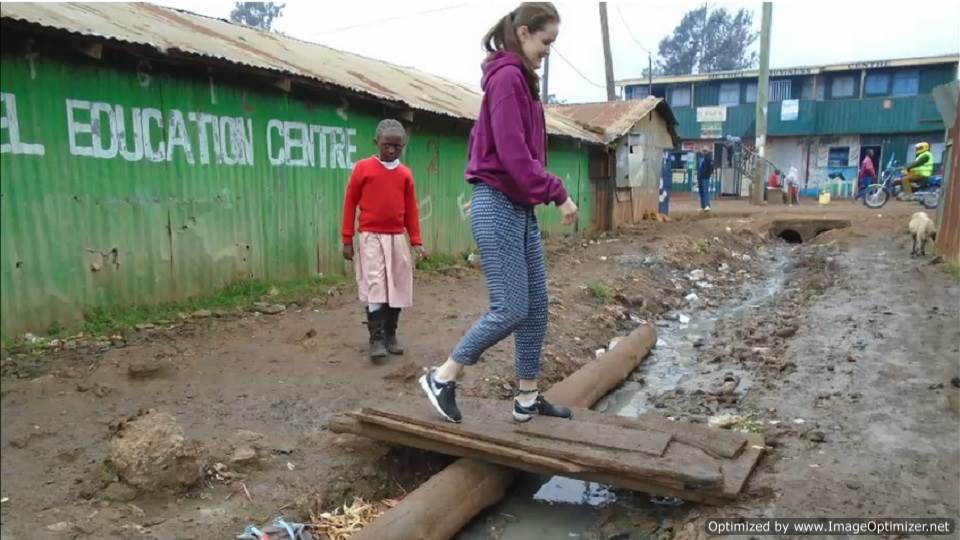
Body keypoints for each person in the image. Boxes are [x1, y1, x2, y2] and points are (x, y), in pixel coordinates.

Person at [419, 2, 578, 424]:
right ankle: (443, 377)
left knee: (536, 306)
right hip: (501, 204)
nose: (549, 51)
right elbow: (513, 155)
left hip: (516, 206)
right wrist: (558, 193)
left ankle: (527, 397)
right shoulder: (507, 78)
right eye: (546, 42)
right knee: (510, 307)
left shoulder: (520, 82)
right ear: (525, 33)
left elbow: (498, 149)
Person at [341, 119, 428, 360]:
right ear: (376, 143)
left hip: (397, 239)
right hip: (371, 238)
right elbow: (350, 203)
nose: (391, 150)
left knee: (398, 285)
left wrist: (416, 241)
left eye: (397, 147)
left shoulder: (405, 175)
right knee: (376, 285)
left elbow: (411, 209)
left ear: (403, 146)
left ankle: (391, 334)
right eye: (386, 145)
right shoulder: (363, 168)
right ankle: (376, 339)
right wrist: (347, 238)